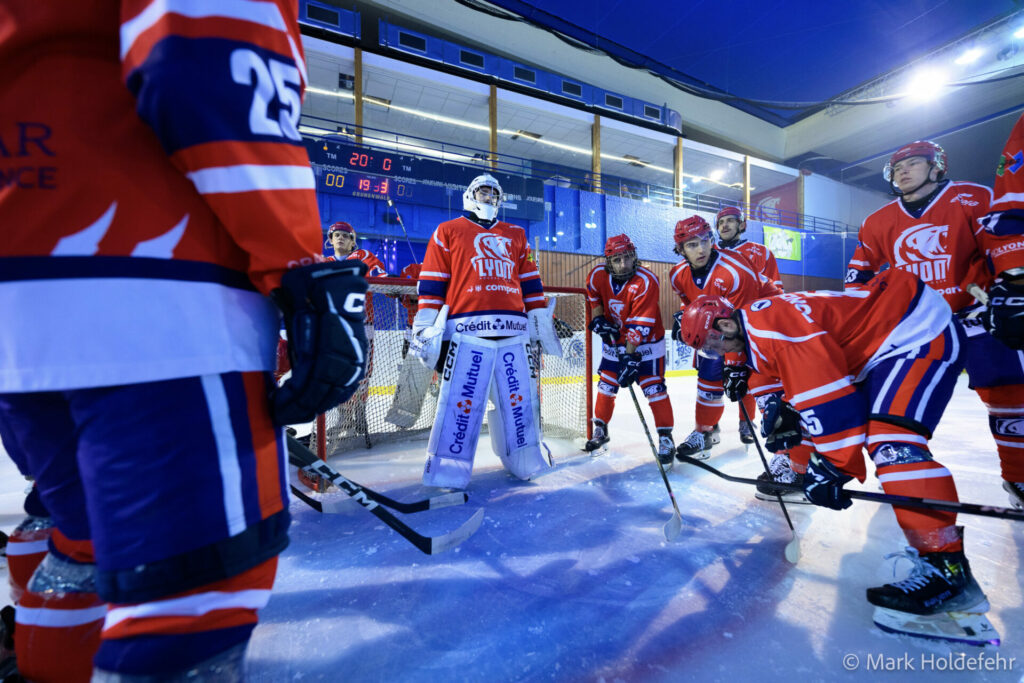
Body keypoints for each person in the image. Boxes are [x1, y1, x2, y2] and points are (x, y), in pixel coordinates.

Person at [0, 3, 368, 679]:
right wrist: (297, 263)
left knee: (79, 541)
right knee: (188, 610)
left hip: (19, 306)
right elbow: (206, 55)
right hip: (158, 302)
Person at [678, 269, 989, 627]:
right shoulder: (757, 324)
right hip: (886, 340)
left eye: (714, 346)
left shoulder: (773, 333)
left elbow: (831, 402)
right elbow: (809, 388)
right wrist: (797, 431)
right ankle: (941, 561)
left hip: (916, 331)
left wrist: (833, 468)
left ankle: (947, 572)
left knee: (895, 447)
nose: (716, 355)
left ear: (727, 326)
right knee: (871, 441)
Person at [846, 139, 1024, 508]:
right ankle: (899, 470)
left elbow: (1003, 245)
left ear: (936, 166)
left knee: (1009, 395)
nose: (903, 172)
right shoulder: (877, 221)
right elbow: (859, 276)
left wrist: (1007, 286)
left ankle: (1019, 475)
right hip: (914, 325)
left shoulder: (973, 197)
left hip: (973, 315)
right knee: (895, 402)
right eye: (897, 168)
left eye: (912, 163)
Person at [412, 174, 562, 489]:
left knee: (519, 402)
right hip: (466, 334)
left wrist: (539, 324)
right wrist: (426, 327)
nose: (489, 197)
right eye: (483, 191)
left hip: (513, 333)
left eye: (494, 193)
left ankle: (523, 458)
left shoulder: (517, 234)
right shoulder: (447, 231)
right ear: (470, 194)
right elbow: (432, 283)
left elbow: (531, 283)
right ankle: (447, 471)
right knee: (460, 404)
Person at [668, 215, 780, 460]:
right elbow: (690, 303)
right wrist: (685, 317)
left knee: (759, 382)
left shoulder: (735, 271)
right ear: (680, 250)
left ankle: (779, 448)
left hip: (761, 321)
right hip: (723, 323)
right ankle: (704, 431)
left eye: (705, 241)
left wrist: (735, 364)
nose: (701, 249)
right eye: (692, 245)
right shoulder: (677, 275)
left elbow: (744, 324)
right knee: (709, 377)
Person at [584, 235, 674, 465]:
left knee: (654, 389)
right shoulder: (596, 276)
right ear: (608, 261)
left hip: (647, 344)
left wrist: (630, 355)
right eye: (617, 259)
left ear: (634, 256)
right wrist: (598, 320)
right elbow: (595, 300)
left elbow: (640, 324)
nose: (623, 264)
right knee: (606, 385)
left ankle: (665, 438)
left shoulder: (647, 280)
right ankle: (601, 430)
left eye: (627, 257)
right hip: (615, 341)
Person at [326, 220, 386, 449]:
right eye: (336, 235)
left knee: (362, 374)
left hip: (362, 327)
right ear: (330, 240)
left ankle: (360, 418)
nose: (340, 238)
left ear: (353, 242)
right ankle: (344, 419)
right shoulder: (323, 263)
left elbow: (381, 277)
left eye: (345, 235)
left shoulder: (363, 256)